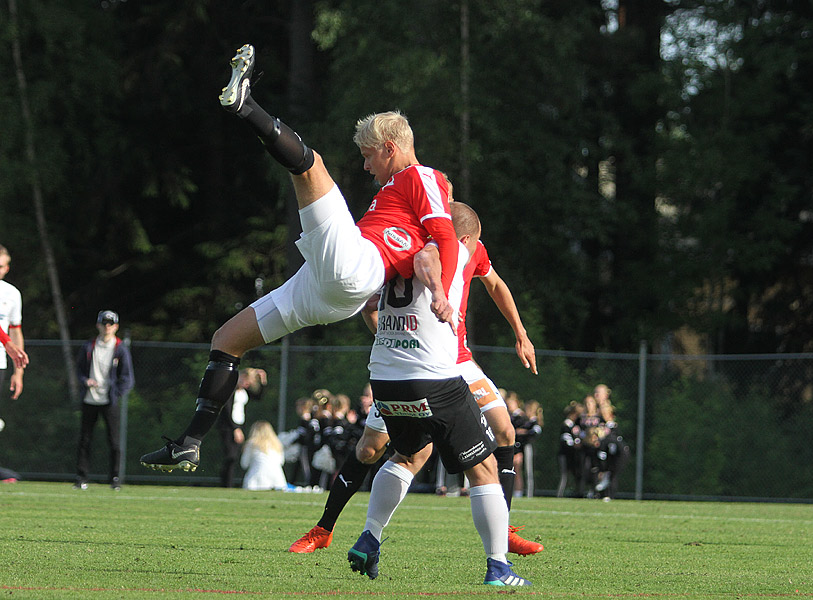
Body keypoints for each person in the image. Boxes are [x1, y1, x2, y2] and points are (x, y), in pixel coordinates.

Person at [140, 43, 460, 473]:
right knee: (226, 340)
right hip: (331, 290)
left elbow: (446, 237)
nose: (366, 167)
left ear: (389, 147)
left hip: (355, 268)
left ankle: (244, 104)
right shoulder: (396, 193)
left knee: (311, 166)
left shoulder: (421, 176)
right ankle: (188, 442)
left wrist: (446, 295)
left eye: (368, 156)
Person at [289, 202, 542, 557]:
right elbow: (370, 304)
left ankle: (504, 530)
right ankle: (324, 529)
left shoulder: (472, 249)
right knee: (370, 449)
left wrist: (520, 333)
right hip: (415, 365)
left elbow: (496, 283)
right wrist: (390, 343)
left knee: (505, 432)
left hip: (459, 361)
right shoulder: (414, 248)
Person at [346, 206, 531, 587]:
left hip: (384, 378)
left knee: (407, 455)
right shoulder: (448, 246)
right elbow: (431, 255)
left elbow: (364, 298)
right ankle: (498, 567)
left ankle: (369, 536)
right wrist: (438, 294)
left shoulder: (390, 245)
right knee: (484, 469)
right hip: (432, 375)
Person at [74, 310, 135, 490]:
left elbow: (127, 378)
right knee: (85, 439)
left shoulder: (120, 349)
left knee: (114, 442)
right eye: (104, 323)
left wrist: (116, 393)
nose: (107, 327)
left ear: (116, 326)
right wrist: (86, 381)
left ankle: (115, 478)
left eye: (110, 323)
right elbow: (79, 371)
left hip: (109, 401)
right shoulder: (89, 346)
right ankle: (81, 477)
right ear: (98, 325)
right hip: (89, 399)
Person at [217, 367, 267, 487]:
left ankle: (228, 483)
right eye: (246, 381)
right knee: (231, 456)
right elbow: (227, 410)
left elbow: (258, 397)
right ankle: (226, 484)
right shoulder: (230, 389)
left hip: (238, 425)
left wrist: (263, 381)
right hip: (229, 426)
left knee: (234, 457)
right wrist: (235, 429)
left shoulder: (243, 391)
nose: (247, 384)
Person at [0, 245, 27, 400]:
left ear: (6, 269)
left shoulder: (12, 294)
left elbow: (15, 331)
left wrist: (18, 372)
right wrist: (7, 342)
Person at [240, 420, 288, 491]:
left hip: (255, 482)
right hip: (278, 481)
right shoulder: (277, 444)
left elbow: (244, 464)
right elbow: (281, 462)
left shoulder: (251, 444)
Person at [556, 401, 583, 497]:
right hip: (565, 454)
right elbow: (565, 440)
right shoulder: (566, 425)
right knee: (564, 475)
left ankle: (573, 493)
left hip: (573, 454)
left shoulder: (575, 425)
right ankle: (560, 494)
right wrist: (574, 445)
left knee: (574, 475)